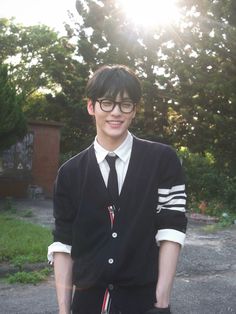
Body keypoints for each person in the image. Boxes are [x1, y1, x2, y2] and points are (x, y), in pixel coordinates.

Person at [48, 64, 187, 314]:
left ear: (134, 110)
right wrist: (63, 310)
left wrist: (162, 301)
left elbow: (172, 229)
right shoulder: (69, 173)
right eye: (107, 103)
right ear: (91, 106)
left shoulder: (162, 160)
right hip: (86, 303)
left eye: (125, 104)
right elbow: (63, 244)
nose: (116, 112)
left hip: (144, 303)